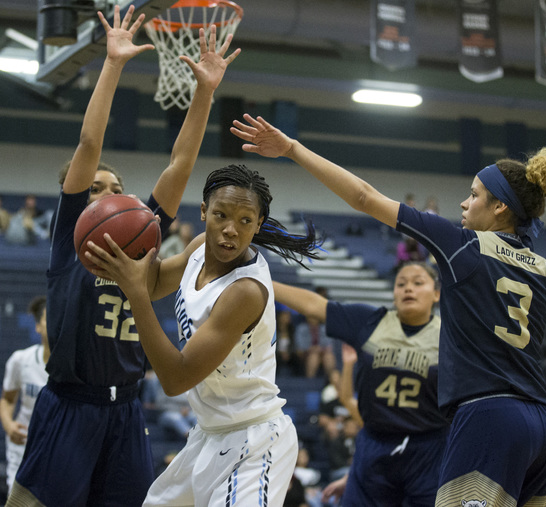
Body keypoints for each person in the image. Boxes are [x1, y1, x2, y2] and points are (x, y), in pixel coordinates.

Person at [230, 115, 546, 506]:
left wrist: (293, 149)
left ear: (500, 206)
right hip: (542, 429)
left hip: (487, 420)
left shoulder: (463, 245)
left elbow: (365, 197)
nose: (464, 202)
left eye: (474, 194)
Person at [6, 7, 240, 506]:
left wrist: (204, 92)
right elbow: (90, 142)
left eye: (117, 187)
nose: (109, 194)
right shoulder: (73, 239)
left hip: (128, 411)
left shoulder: (144, 239)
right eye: (96, 189)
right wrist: (112, 63)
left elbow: (181, 162)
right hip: (70, 405)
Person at [85, 163, 322, 506]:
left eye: (244, 221)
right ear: (203, 212)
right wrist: (127, 228)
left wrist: (135, 293)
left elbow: (174, 379)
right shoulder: (198, 248)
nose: (230, 230)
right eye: (221, 215)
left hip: (253, 442)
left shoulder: (244, 291)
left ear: (258, 224)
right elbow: (152, 284)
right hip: (208, 433)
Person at [271, 261, 447, 506]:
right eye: (401, 284)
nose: (409, 289)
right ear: (394, 293)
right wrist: (262, 281)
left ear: (437, 294)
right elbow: (315, 306)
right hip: (374, 445)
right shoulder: (370, 322)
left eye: (418, 283)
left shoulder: (450, 337)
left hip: (427, 450)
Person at [0, 296, 49, 494]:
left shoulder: (74, 365)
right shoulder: (21, 360)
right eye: (49, 317)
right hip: (23, 446)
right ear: (38, 327)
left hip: (56, 448)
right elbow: (8, 400)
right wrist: (9, 425)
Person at [293, 287, 336, 378]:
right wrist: (312, 349)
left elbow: (328, 344)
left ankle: (331, 381)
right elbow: (300, 348)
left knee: (328, 356)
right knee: (314, 357)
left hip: (322, 353)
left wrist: (320, 349)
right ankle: (310, 383)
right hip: (307, 354)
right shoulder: (302, 328)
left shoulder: (324, 328)